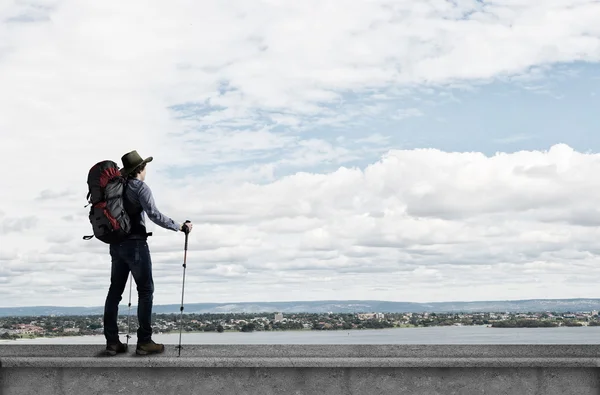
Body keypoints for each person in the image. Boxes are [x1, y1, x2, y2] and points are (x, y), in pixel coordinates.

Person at [103, 150, 193, 356]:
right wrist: (179, 226)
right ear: (140, 169)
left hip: (116, 245)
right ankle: (144, 341)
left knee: (114, 293)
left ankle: (112, 342)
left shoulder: (113, 188)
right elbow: (153, 214)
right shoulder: (139, 187)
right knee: (145, 291)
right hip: (136, 245)